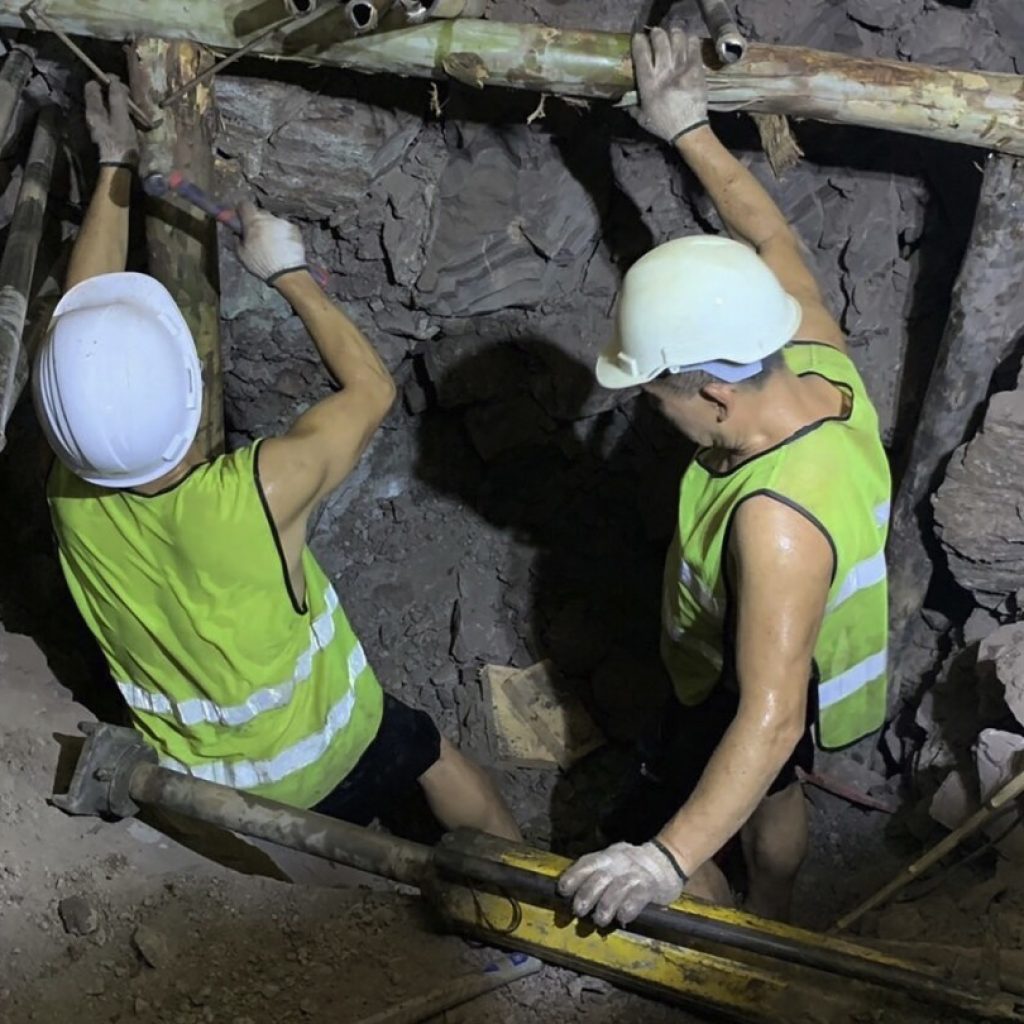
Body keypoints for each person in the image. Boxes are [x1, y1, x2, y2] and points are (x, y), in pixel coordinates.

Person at [37, 79, 519, 843]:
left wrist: (114, 164)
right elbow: (372, 389)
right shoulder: (261, 490)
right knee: (430, 752)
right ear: (190, 392)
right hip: (340, 746)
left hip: (215, 798)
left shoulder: (69, 495)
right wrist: (287, 271)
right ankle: (516, 875)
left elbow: (83, 326)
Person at [559, 28, 890, 926]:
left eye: (655, 395)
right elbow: (766, 230)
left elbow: (772, 717)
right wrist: (687, 128)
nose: (649, 413)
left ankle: (738, 931)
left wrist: (662, 860)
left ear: (710, 390)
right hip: (803, 645)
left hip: (756, 671)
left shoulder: (774, 522)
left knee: (748, 767)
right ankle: (778, 904)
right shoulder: (812, 350)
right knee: (778, 789)